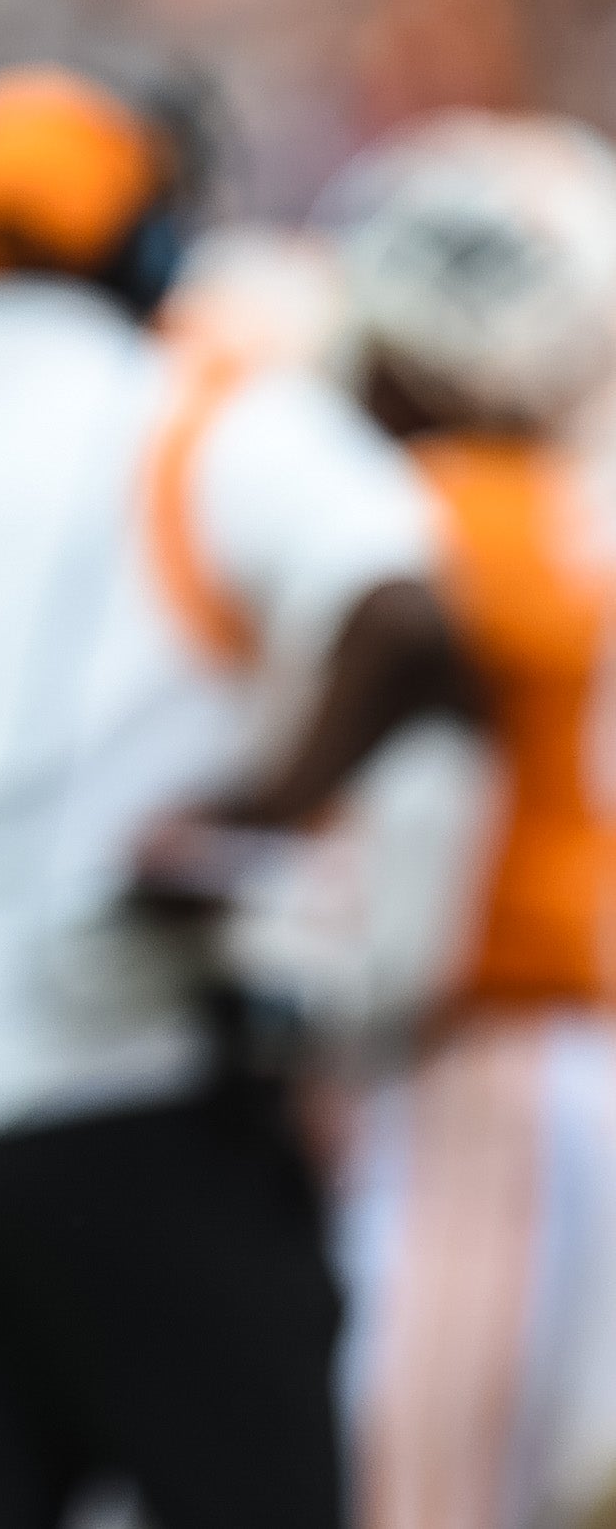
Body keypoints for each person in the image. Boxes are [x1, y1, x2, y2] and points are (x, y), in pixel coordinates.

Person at [0, 67, 462, 1529]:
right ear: (147, 241)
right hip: (132, 1078)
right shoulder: (190, 409)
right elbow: (404, 615)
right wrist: (253, 810)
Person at [216, 116, 616, 1529]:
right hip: (491, 1041)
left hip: (470, 1041)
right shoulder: (530, 509)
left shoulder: (447, 516)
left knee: (419, 1465)